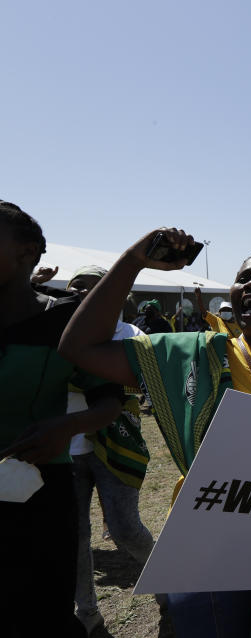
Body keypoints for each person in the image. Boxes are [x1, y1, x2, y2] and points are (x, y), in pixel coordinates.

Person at [59, 227, 251, 638]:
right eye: (244, 277)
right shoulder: (196, 355)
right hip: (212, 547)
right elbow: (79, 348)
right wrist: (133, 261)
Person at [0, 201, 123, 638]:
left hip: (37, 489)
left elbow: (110, 401)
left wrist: (66, 427)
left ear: (27, 252)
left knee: (39, 612)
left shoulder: (65, 319)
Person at [64, 265, 155, 634]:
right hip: (66, 449)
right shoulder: (55, 334)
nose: (83, 294)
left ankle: (167, 581)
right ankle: (87, 614)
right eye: (75, 287)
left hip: (115, 443)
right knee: (76, 536)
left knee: (125, 529)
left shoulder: (129, 334)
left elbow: (141, 380)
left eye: (93, 287)